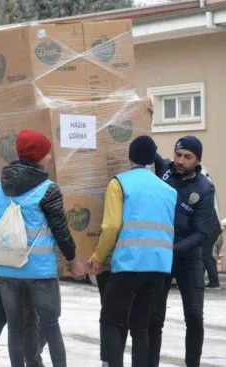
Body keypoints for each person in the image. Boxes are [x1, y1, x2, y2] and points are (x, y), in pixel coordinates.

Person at [0, 130, 86, 367]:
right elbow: (61, 230)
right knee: (51, 326)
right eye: (47, 153)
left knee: (15, 327)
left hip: (7, 268)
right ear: (39, 156)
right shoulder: (48, 189)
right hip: (39, 271)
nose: (49, 158)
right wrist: (73, 260)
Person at [87, 135, 177, 367]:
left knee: (110, 321)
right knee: (141, 326)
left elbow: (111, 226)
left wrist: (98, 256)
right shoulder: (168, 190)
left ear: (130, 157)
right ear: (152, 160)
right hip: (159, 267)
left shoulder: (119, 183)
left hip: (129, 265)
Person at [149, 136, 217, 367]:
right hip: (160, 260)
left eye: (187, 157)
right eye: (178, 155)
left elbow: (201, 234)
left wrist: (172, 249)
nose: (180, 160)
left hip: (188, 259)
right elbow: (144, 144)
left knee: (195, 318)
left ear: (197, 159)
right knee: (154, 318)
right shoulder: (163, 169)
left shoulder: (205, 189)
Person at [200, 166, 222, 290]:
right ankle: (205, 279)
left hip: (211, 230)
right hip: (213, 229)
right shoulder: (207, 199)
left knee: (206, 255)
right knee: (204, 254)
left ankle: (214, 282)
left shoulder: (204, 201)